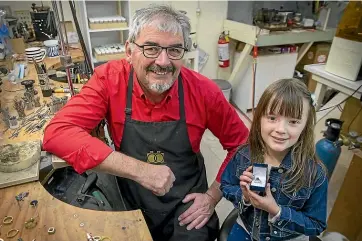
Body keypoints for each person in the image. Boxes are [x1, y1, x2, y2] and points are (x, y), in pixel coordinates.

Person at [42, 4, 249, 241]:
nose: (163, 62)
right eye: (151, 48)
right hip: (128, 197)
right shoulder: (110, 80)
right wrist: (140, 170)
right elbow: (57, 133)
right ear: (129, 51)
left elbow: (243, 146)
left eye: (174, 50)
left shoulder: (204, 91)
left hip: (186, 205)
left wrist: (212, 197)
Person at [220, 78, 328, 241]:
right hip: (246, 229)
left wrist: (277, 211)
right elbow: (226, 185)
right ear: (259, 118)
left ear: (305, 126)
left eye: (293, 121)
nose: (280, 130)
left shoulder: (315, 174)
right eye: (272, 118)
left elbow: (317, 225)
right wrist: (245, 197)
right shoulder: (243, 155)